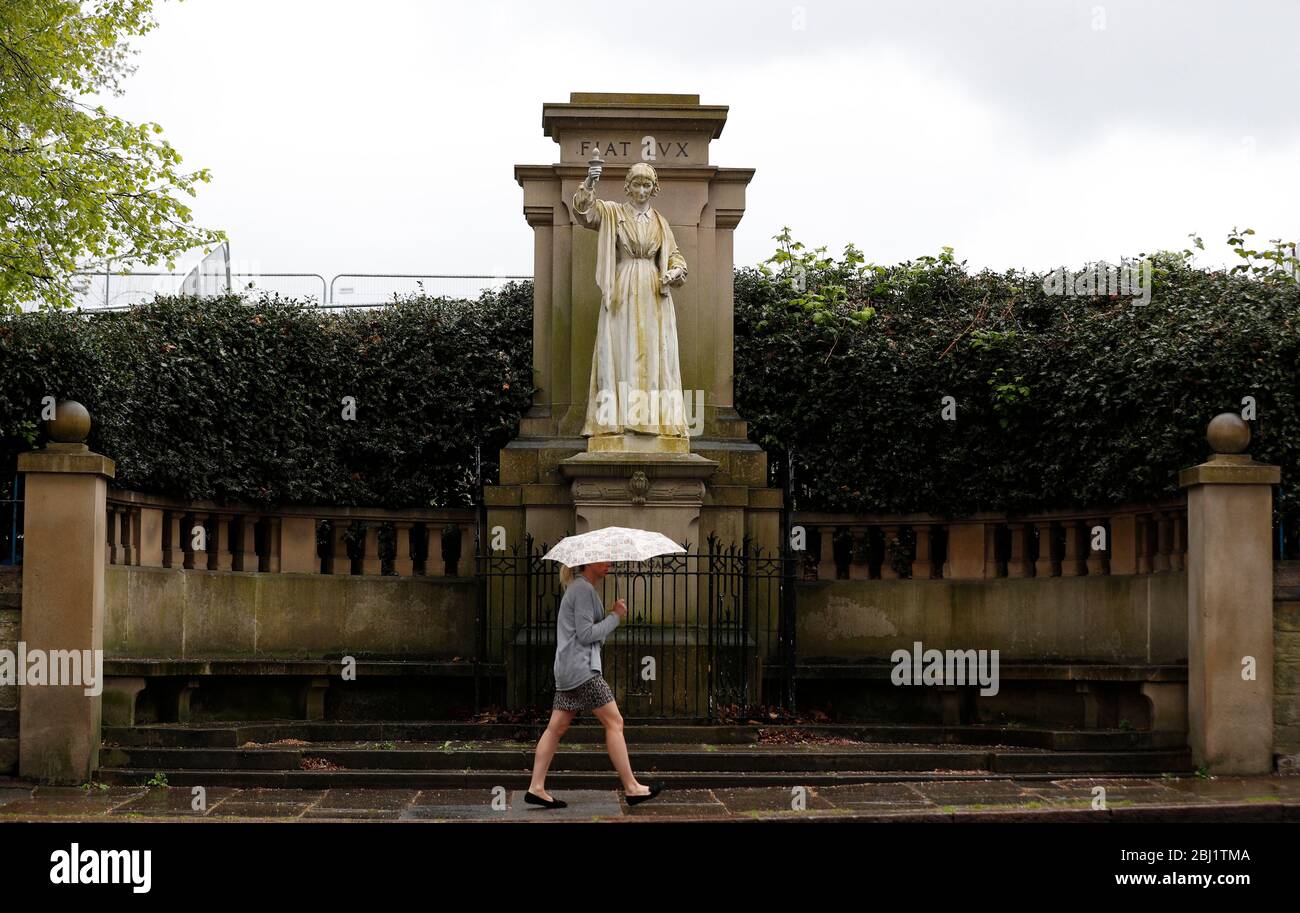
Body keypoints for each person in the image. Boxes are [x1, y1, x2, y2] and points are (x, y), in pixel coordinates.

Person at [525, 559, 665, 808]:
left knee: (555, 727)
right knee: (615, 722)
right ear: (588, 563)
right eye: (604, 559)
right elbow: (586, 634)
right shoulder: (583, 589)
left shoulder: (580, 588)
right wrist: (615, 616)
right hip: (582, 670)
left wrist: (610, 615)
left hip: (569, 669)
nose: (609, 563)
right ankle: (632, 788)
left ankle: (536, 787)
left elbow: (585, 633)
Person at [571, 160, 691, 441]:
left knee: (652, 351)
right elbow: (584, 213)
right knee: (619, 349)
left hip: (653, 290)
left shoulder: (661, 223)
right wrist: (589, 182)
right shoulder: (613, 213)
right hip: (622, 287)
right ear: (627, 187)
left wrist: (674, 271)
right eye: (636, 184)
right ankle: (617, 420)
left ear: (654, 188)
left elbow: (675, 255)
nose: (641, 190)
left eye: (647, 184)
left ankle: (652, 421)